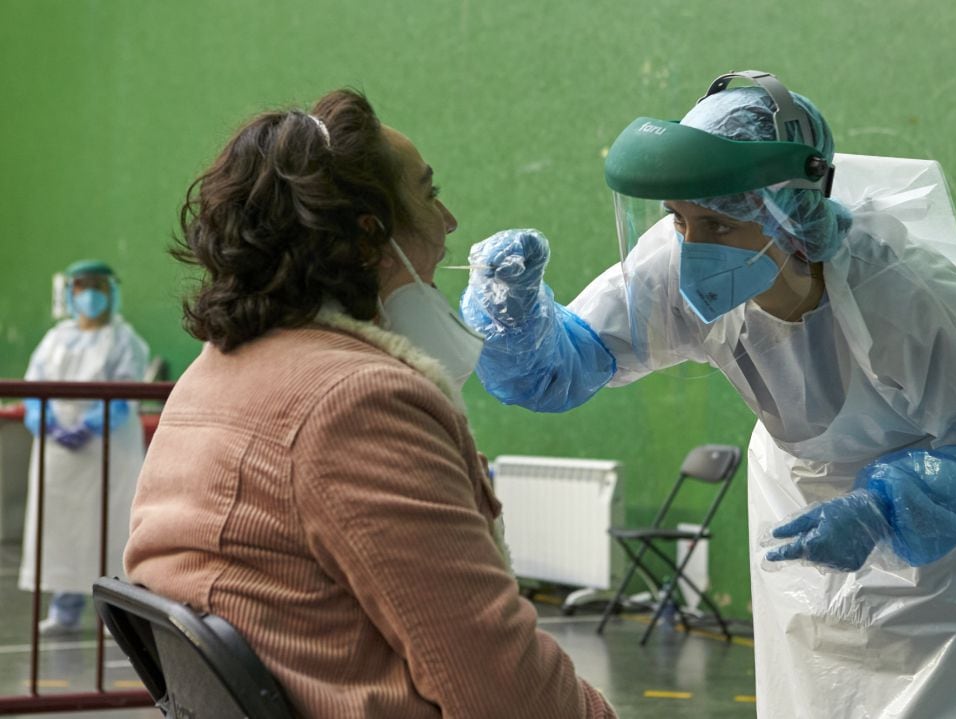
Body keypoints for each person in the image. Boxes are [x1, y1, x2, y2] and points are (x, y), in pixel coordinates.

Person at [460, 70, 956, 717]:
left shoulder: (905, 297)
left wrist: (886, 508)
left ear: (789, 213)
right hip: (807, 534)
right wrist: (516, 325)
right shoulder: (677, 262)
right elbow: (569, 362)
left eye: (721, 224)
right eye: (679, 218)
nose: (693, 245)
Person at [123, 88, 616, 719]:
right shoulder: (357, 404)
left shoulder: (213, 375)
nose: (451, 222)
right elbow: (503, 690)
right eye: (431, 194)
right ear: (367, 237)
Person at [20, 259, 149, 636]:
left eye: (98, 287)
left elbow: (126, 394)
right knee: (59, 528)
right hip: (58, 451)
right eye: (81, 287)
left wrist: (92, 425)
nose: (89, 296)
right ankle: (64, 608)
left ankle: (117, 612)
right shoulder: (55, 339)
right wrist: (45, 423)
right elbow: (32, 386)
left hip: (106, 451)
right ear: (70, 294)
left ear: (112, 292)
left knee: (106, 527)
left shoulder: (126, 340)